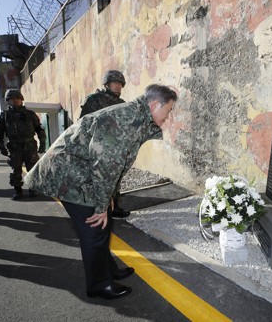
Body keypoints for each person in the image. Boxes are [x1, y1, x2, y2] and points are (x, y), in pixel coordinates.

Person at [24, 84, 177, 300]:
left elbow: (115, 165)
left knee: (104, 223)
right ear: (154, 105)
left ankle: (109, 270)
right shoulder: (123, 120)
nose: (169, 117)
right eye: (168, 111)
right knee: (95, 229)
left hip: (81, 170)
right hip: (67, 175)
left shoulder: (136, 116)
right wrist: (101, 205)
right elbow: (105, 167)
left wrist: (108, 199)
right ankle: (98, 285)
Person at [79, 70, 128, 218]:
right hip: (98, 146)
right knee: (98, 178)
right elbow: (83, 123)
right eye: (115, 83)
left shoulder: (122, 104)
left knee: (115, 177)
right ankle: (99, 208)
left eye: (120, 83)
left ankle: (114, 207)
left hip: (115, 147)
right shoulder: (94, 100)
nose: (118, 86)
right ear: (107, 84)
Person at [0, 89, 47, 200]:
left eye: (17, 98)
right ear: (8, 101)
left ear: (21, 99)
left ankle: (33, 189)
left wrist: (43, 143)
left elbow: (39, 129)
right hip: (14, 147)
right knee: (15, 169)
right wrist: (1, 147)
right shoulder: (4, 116)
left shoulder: (30, 114)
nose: (15, 101)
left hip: (30, 146)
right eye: (12, 99)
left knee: (33, 169)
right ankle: (18, 191)